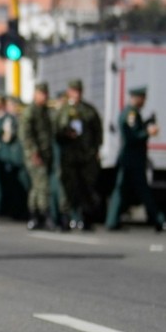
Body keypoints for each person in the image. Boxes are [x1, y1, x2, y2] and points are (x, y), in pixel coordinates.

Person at [105, 86, 166, 232]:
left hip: (131, 159)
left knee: (123, 190)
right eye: (142, 98)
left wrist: (146, 124)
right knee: (141, 191)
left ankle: (112, 220)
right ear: (137, 98)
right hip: (132, 160)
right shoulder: (131, 114)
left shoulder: (132, 113)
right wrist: (148, 131)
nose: (144, 101)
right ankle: (158, 220)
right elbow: (132, 136)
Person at [54, 78, 103, 231]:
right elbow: (56, 132)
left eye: (79, 91)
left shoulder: (88, 110)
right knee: (68, 189)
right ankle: (66, 219)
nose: (76, 94)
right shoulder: (62, 111)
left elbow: (97, 131)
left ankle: (84, 219)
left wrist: (95, 150)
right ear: (69, 92)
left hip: (85, 157)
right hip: (68, 157)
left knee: (85, 188)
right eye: (74, 91)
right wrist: (65, 133)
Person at [21, 83, 54, 230]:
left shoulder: (45, 111)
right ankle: (44, 215)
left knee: (36, 187)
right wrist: (34, 152)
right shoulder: (31, 111)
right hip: (35, 155)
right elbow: (26, 135)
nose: (45, 97)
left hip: (45, 154)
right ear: (35, 94)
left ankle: (34, 217)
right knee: (43, 186)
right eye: (42, 93)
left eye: (46, 94)